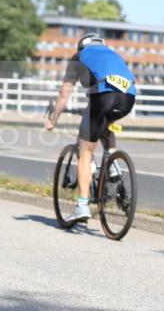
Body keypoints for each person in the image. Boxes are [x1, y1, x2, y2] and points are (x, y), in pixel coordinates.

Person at [45, 33, 138, 223]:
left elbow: (64, 94)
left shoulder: (78, 57)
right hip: (128, 99)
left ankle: (82, 205)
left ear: (81, 47)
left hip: (103, 98)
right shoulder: (112, 55)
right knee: (105, 126)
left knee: (85, 150)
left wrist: (53, 119)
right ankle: (113, 164)